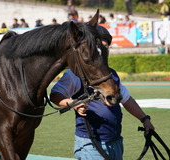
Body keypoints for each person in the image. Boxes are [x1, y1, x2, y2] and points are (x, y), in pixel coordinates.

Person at [50, 25, 154, 160]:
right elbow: (55, 95)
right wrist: (72, 103)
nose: (104, 50)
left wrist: (144, 119)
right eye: (100, 46)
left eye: (106, 47)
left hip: (115, 141)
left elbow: (126, 99)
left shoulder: (111, 74)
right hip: (91, 143)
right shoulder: (75, 74)